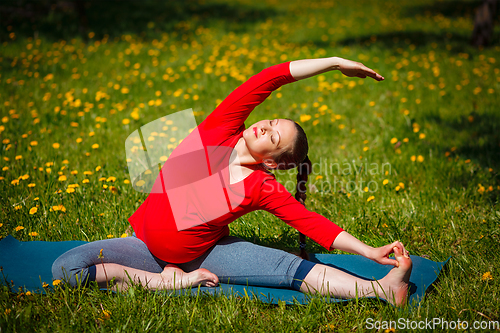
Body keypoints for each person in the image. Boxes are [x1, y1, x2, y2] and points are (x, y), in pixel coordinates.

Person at [52, 56, 412, 306]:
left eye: (272, 137)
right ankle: (164, 282)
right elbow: (268, 79)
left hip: (204, 256)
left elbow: (315, 226)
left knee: (288, 269)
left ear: (271, 161)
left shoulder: (262, 186)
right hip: (142, 247)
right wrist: (334, 63)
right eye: (271, 123)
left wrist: (368, 251)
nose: (265, 127)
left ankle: (380, 290)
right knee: (65, 269)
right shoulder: (220, 129)